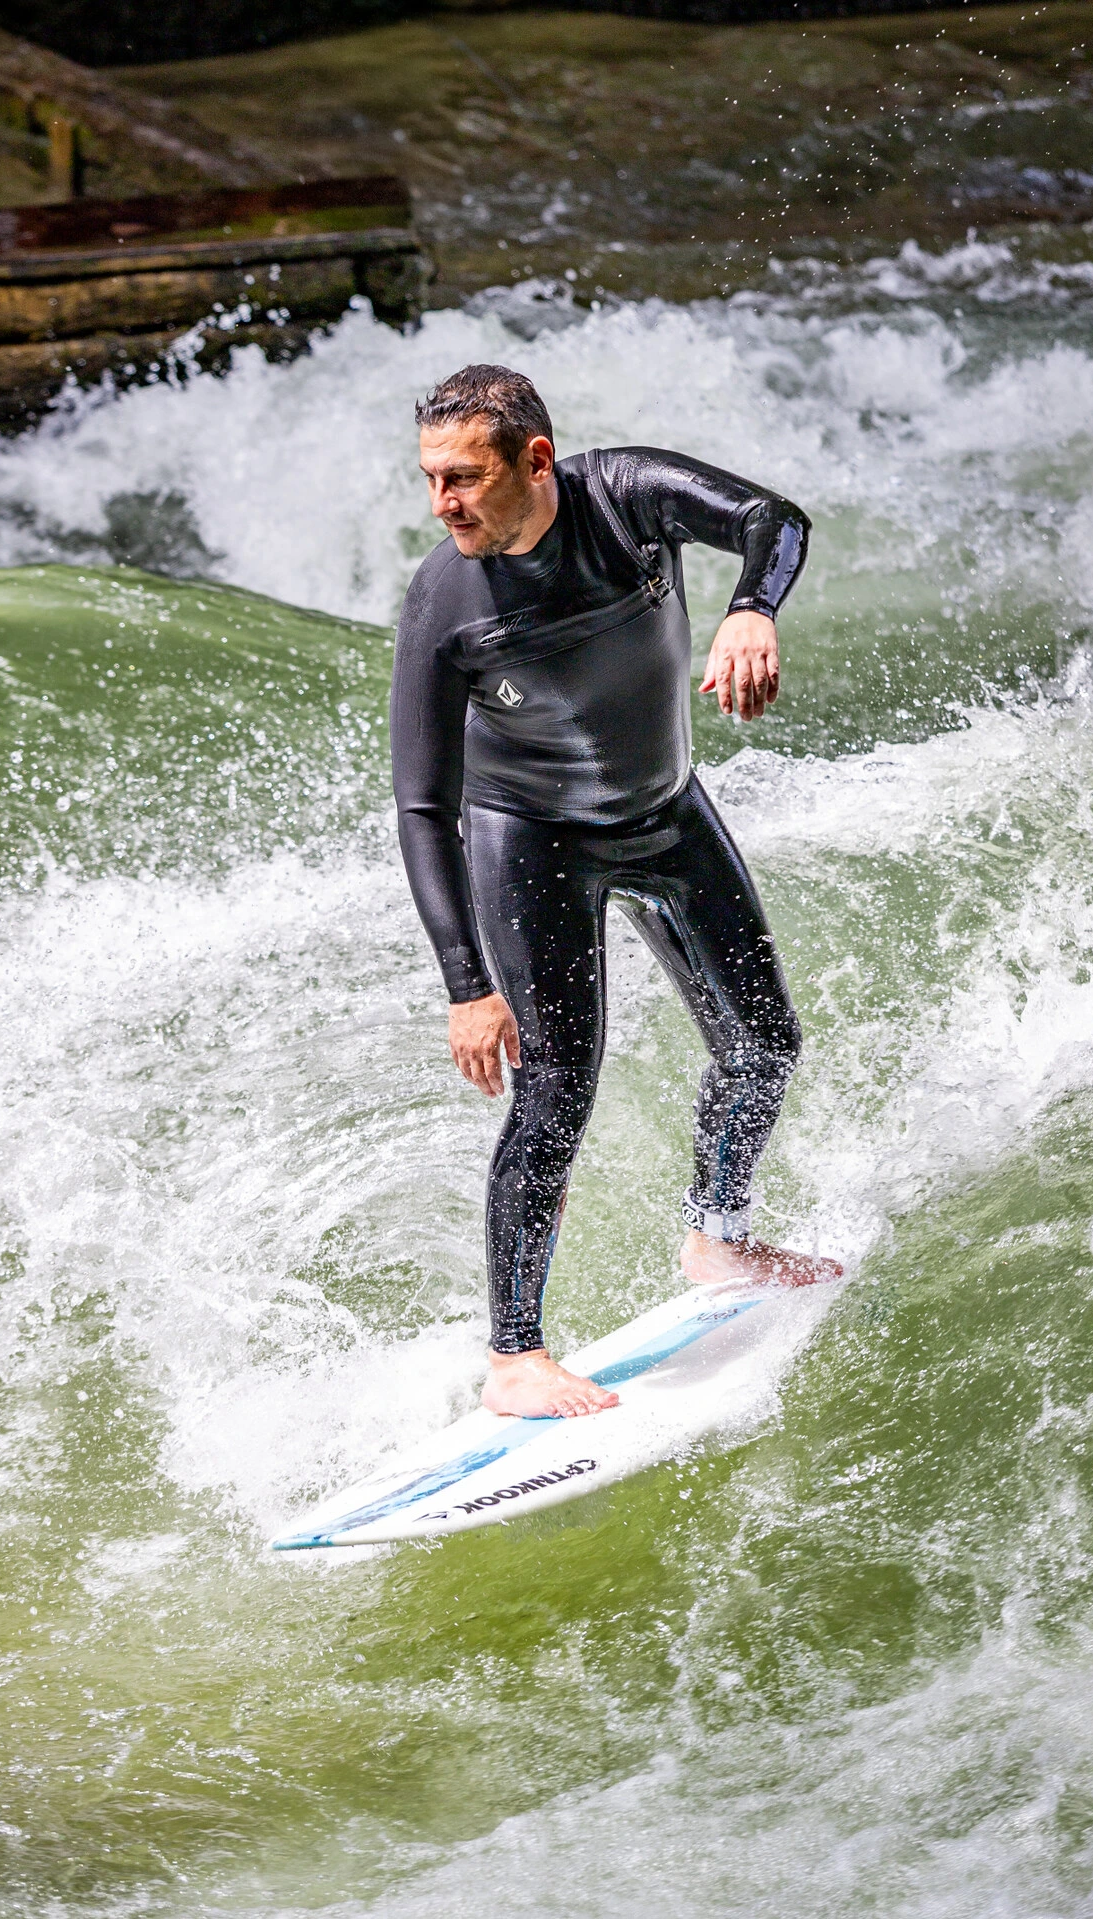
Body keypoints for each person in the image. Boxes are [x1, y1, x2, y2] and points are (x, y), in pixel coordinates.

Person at [390, 364, 841, 1421]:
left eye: (462, 476)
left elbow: (771, 520)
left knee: (763, 1041)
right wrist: (466, 981)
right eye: (428, 479)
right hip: (533, 840)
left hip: (665, 812)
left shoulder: (626, 496)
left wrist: (749, 610)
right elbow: (421, 805)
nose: (441, 502)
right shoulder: (443, 599)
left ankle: (716, 1239)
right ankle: (512, 1357)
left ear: (532, 459)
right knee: (555, 1087)